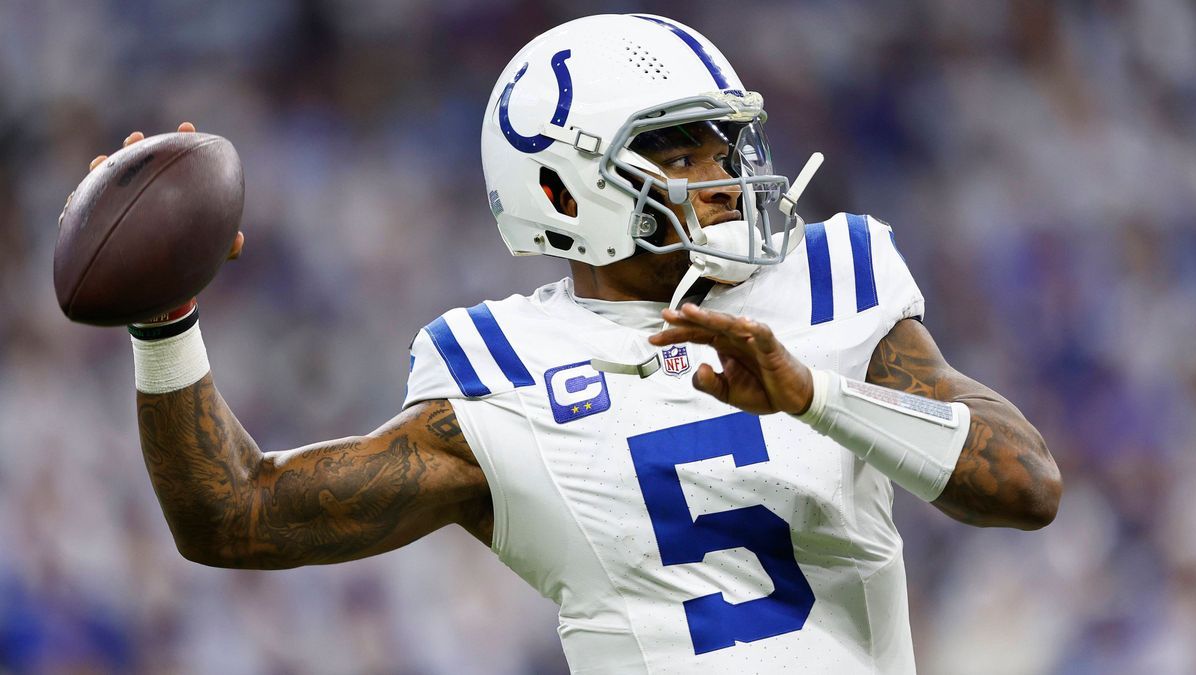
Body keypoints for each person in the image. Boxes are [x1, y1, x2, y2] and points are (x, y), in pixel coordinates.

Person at [85, 14, 1061, 674]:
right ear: (561, 188)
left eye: (727, 145)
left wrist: (816, 396)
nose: (723, 176)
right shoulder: (503, 366)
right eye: (680, 151)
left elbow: (1025, 488)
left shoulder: (832, 275)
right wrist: (165, 319)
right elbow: (234, 516)